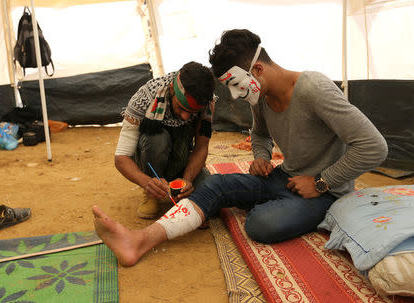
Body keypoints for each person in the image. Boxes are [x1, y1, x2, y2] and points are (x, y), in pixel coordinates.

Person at [93, 29, 388, 267]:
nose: (234, 95)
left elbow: (374, 146)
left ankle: (302, 210)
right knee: (216, 186)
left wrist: (321, 182)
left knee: (260, 224)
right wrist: (260, 157)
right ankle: (139, 240)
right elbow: (259, 136)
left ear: (257, 68)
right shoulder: (260, 96)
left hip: (323, 192)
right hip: (283, 177)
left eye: (235, 85)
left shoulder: (314, 88)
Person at [114, 61, 216, 219]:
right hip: (151, 162)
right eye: (181, 108)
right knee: (156, 139)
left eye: (192, 112)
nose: (185, 117)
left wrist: (187, 180)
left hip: (182, 161)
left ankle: (180, 189)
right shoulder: (146, 96)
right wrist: (146, 182)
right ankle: (152, 193)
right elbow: (121, 158)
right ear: (171, 90)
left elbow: (201, 147)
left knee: (212, 199)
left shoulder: (208, 102)